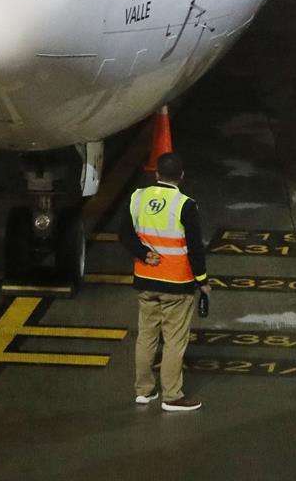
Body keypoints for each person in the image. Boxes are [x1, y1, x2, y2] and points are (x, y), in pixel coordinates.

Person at [122, 151, 209, 412]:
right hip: (176, 284)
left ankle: (144, 391)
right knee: (174, 341)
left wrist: (143, 254)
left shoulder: (138, 197)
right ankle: (172, 396)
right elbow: (195, 248)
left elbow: (124, 233)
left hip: (146, 280)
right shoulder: (185, 204)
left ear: (156, 173)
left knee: (146, 336)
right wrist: (202, 280)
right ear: (181, 176)